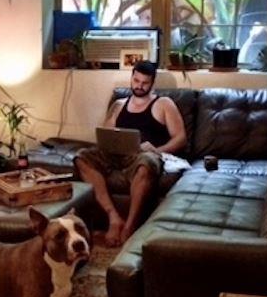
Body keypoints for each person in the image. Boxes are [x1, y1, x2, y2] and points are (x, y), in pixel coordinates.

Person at [74, 61, 186, 246]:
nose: (139, 86)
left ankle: (129, 226)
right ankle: (114, 218)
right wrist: (108, 133)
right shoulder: (119, 104)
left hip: (143, 156)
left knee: (146, 162)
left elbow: (180, 138)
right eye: (136, 81)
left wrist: (157, 150)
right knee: (82, 157)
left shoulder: (163, 103)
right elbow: (106, 134)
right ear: (131, 78)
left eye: (145, 82)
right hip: (115, 154)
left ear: (152, 83)